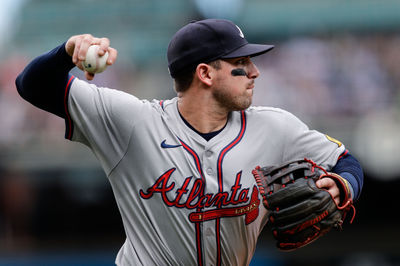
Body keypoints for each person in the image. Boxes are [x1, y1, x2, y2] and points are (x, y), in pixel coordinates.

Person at [15, 19, 363, 266]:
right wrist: (67, 51)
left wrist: (342, 185)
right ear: (205, 74)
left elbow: (346, 160)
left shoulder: (275, 127)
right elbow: (31, 84)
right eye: (240, 63)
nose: (254, 72)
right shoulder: (132, 122)